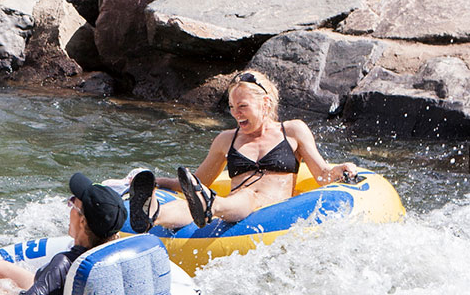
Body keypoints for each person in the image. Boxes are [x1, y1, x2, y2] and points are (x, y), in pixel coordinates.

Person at [129, 69, 358, 230]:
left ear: (265, 103)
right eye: (231, 107)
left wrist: (341, 170)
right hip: (234, 208)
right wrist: (158, 181)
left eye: (242, 106)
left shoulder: (293, 131)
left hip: (271, 211)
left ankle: (211, 204)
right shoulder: (225, 140)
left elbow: (322, 175)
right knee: (201, 201)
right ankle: (154, 214)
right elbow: (199, 182)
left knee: (245, 197)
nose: (235, 113)